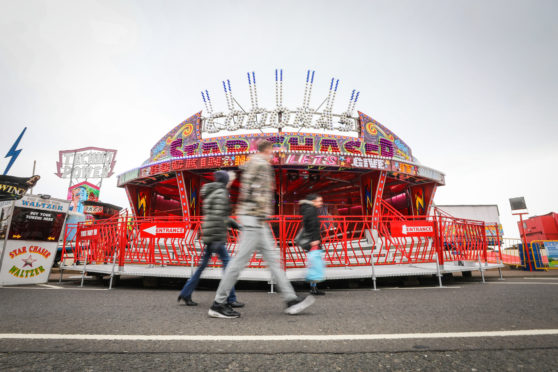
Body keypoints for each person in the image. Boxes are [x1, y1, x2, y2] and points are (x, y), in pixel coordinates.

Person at [208, 140, 315, 318]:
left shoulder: (252, 164)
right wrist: (262, 213)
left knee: (273, 260)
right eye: (272, 151)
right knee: (238, 263)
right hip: (255, 219)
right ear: (267, 150)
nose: (273, 154)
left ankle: (291, 299)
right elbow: (257, 192)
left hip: (256, 219)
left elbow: (249, 190)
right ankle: (218, 304)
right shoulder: (262, 165)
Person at [177, 170, 244, 308]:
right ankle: (230, 298)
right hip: (216, 235)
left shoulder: (211, 192)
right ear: (224, 181)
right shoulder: (221, 194)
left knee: (202, 267)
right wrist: (237, 226)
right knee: (228, 266)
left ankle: (186, 293)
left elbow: (217, 215)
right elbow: (221, 217)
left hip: (210, 233)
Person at [299, 194, 326, 295]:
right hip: (313, 240)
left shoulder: (309, 209)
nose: (321, 203)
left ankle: (313, 287)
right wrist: (314, 239)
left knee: (314, 263)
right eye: (319, 201)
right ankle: (313, 287)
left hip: (313, 239)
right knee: (315, 264)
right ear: (313, 201)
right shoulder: (311, 210)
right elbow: (311, 226)